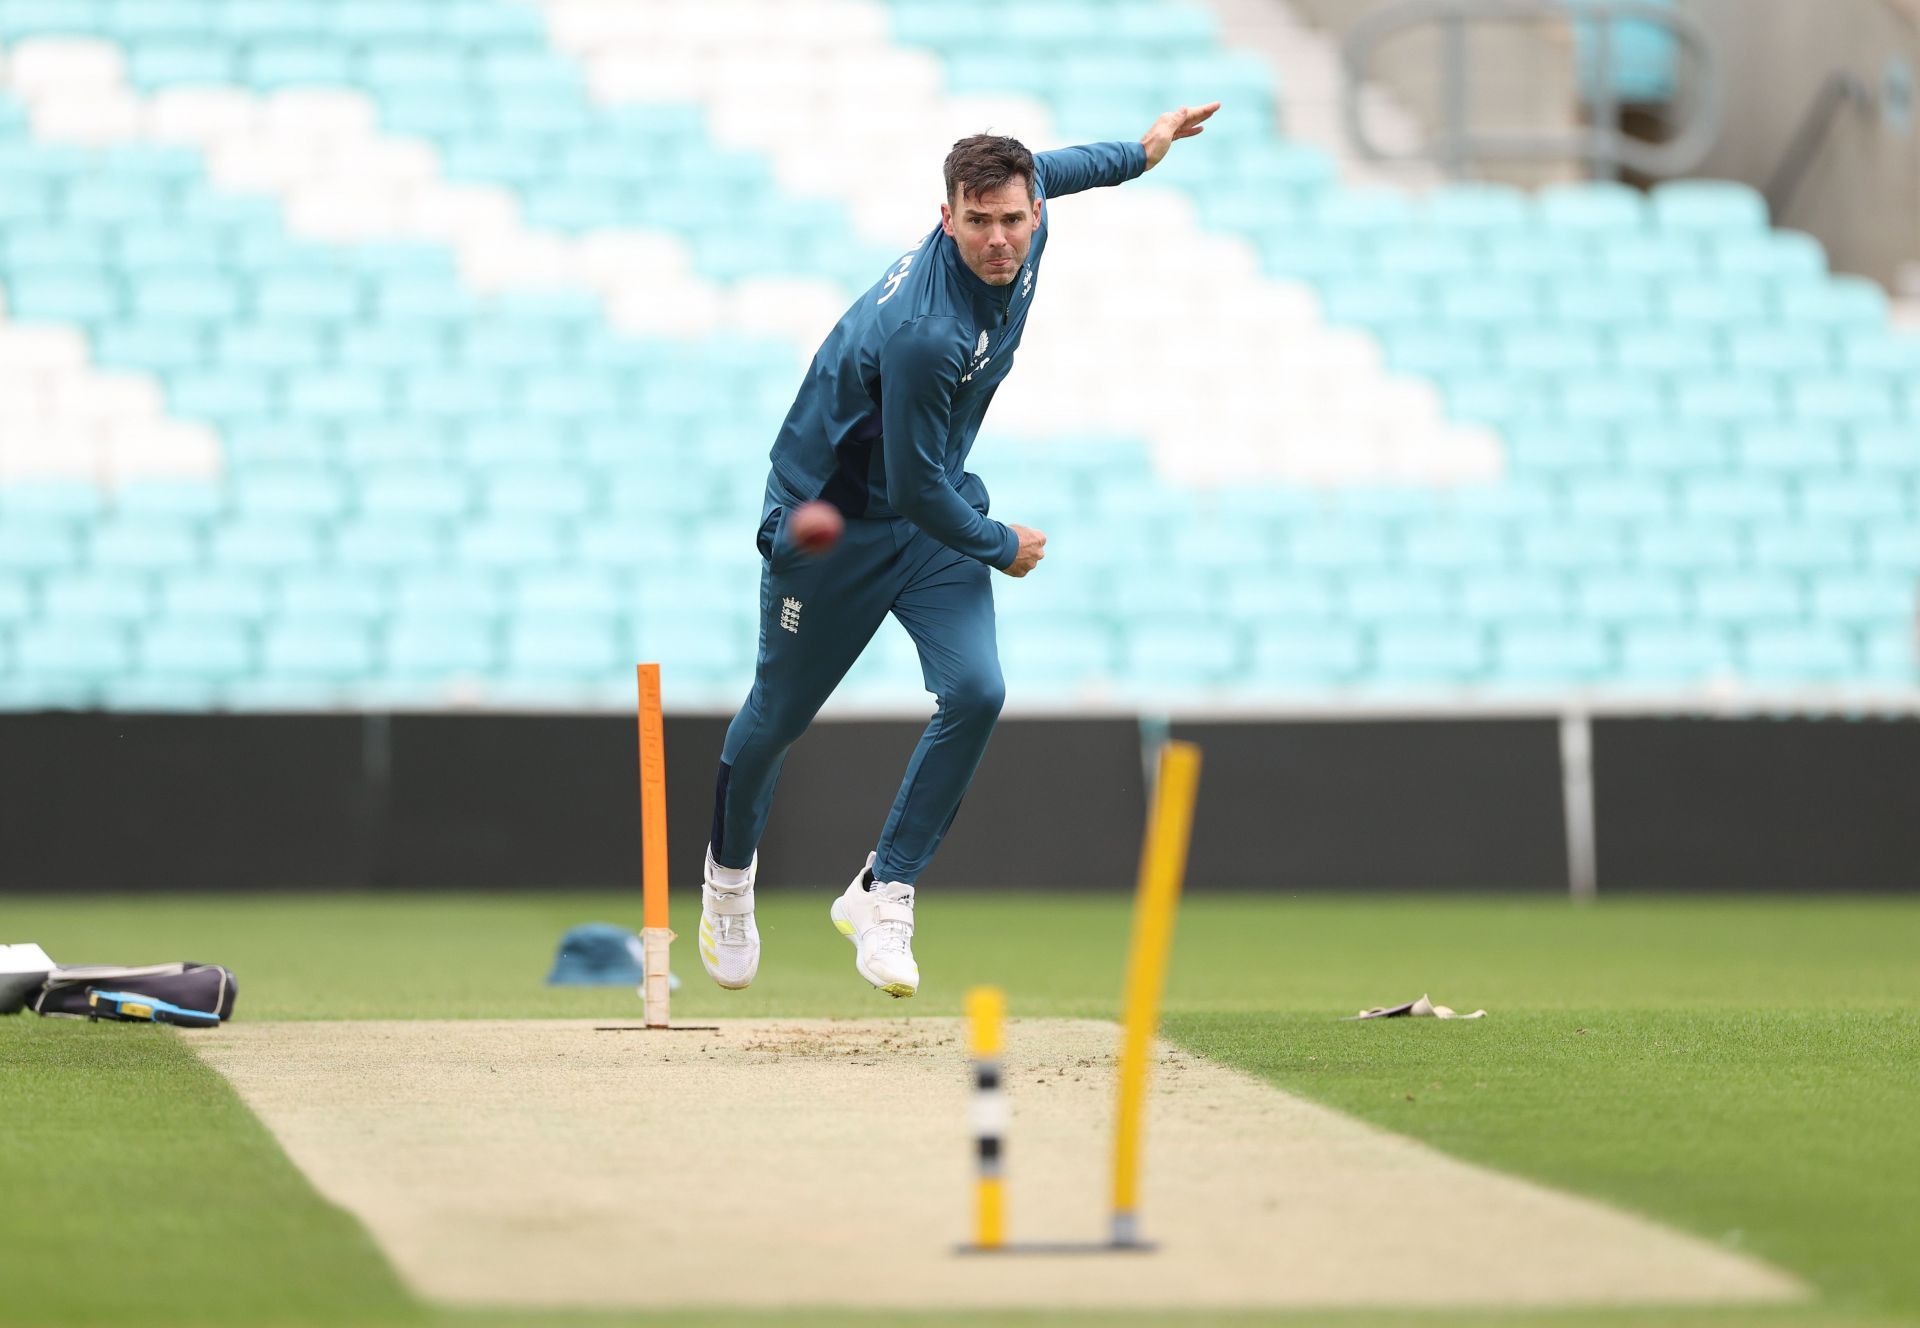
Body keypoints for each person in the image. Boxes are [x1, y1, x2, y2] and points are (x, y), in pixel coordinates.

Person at [696, 104, 1221, 998]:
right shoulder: (926, 335)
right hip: (832, 526)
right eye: (977, 222)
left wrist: (1143, 149)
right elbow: (910, 489)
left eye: (1013, 218)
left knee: (977, 690)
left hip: (923, 512)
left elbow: (1066, 165)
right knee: (779, 715)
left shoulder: (1031, 217)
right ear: (946, 218)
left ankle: (884, 888)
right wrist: (997, 545)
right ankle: (728, 884)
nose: (999, 239)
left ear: (1032, 212)